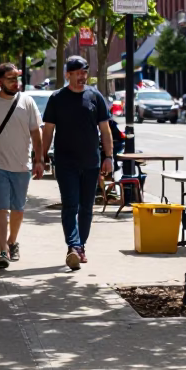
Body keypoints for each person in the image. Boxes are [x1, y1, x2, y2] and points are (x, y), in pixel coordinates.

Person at [41, 56, 114, 270]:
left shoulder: (95, 97)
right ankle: (73, 246)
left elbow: (105, 130)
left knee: (87, 208)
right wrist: (42, 156)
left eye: (85, 72)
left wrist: (108, 157)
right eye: (78, 73)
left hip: (91, 162)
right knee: (70, 205)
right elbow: (48, 130)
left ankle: (80, 246)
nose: (83, 76)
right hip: (65, 162)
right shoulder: (57, 98)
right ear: (68, 75)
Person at [0, 63, 45, 270]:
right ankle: (3, 250)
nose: (16, 83)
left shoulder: (27, 102)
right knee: (0, 207)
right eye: (11, 79)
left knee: (18, 209)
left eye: (17, 79)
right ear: (0, 81)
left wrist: (39, 160)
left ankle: (12, 241)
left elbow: (36, 134)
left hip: (22, 164)